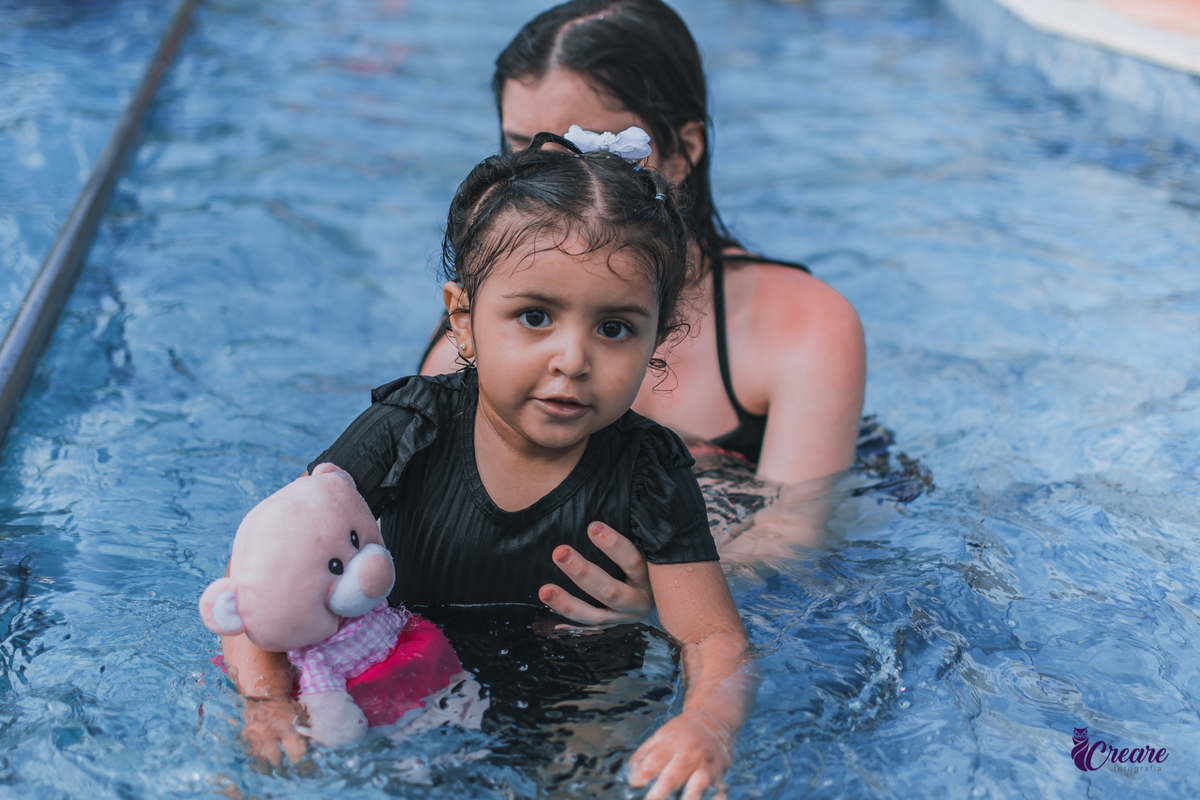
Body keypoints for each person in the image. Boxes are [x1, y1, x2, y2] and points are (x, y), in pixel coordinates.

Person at [222, 134, 755, 800]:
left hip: (575, 699)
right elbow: (258, 580)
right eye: (535, 316)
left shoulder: (648, 468)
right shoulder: (411, 428)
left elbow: (712, 638)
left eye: (614, 328)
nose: (572, 358)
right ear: (464, 322)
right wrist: (264, 701)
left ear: (657, 337)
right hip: (390, 680)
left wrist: (705, 724)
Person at [421, 0, 866, 623]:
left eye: (590, 151)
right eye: (527, 151)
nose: (556, 185)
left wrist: (666, 595)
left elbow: (792, 542)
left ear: (682, 151)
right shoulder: (464, 342)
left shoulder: (801, 328)